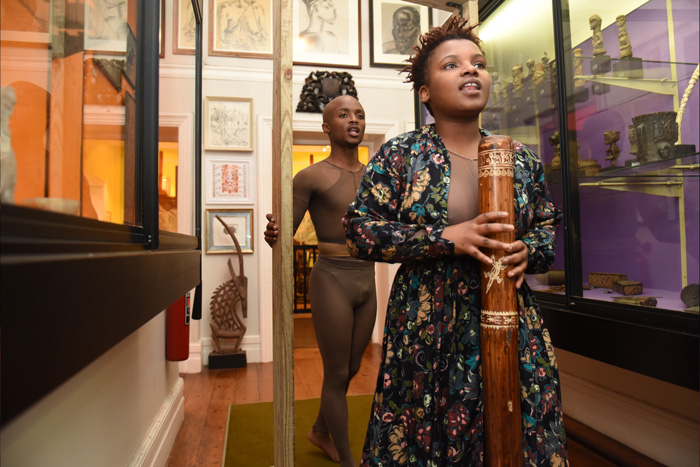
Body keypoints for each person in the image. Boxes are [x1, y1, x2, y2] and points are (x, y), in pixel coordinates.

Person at [343, 16, 568, 466]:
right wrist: (444, 237)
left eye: (478, 63)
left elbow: (546, 224)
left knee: (515, 431)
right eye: (452, 64)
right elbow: (359, 231)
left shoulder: (519, 157)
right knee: (430, 436)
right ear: (424, 91)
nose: (471, 71)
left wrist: (531, 250)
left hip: (512, 320)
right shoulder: (402, 155)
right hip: (429, 325)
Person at [264, 95, 377, 467]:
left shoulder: (376, 176)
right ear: (327, 127)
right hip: (331, 278)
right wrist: (273, 231)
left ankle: (318, 429)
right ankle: (347, 460)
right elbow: (284, 233)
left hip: (367, 278)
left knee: (354, 367)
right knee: (337, 371)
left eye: (359, 114)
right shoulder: (309, 176)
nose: (353, 120)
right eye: (343, 115)